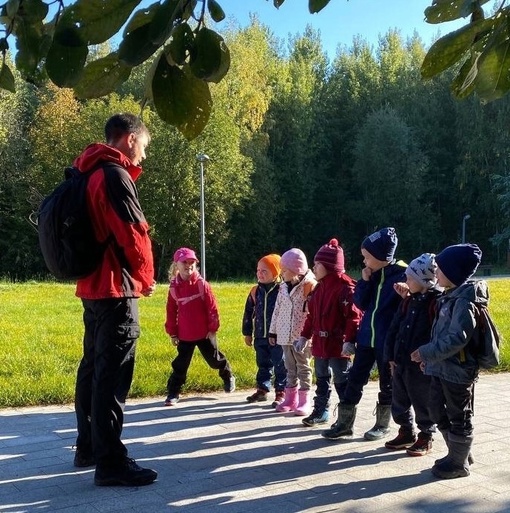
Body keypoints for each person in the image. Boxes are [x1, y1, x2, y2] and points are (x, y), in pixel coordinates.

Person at [73, 113, 158, 486]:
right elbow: (133, 233)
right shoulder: (114, 174)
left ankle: (88, 446)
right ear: (129, 139)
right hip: (115, 286)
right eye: (144, 146)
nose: (143, 155)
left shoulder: (87, 172)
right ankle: (111, 462)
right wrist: (146, 277)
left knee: (92, 366)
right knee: (112, 374)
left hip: (90, 286)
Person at [323, 227, 406, 441]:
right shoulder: (371, 275)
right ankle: (344, 423)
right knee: (355, 379)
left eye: (367, 257)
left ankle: (382, 424)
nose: (364, 261)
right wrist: (365, 282)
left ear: (381, 257)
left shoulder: (401, 276)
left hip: (387, 342)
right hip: (365, 339)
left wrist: (407, 291)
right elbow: (359, 303)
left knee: (387, 383)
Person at [411, 243, 483, 479]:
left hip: (458, 371)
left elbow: (457, 338)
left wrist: (426, 352)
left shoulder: (464, 301)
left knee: (459, 415)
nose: (436, 272)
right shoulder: (449, 296)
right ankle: (458, 453)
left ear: (453, 273)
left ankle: (458, 463)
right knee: (434, 408)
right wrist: (430, 361)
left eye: (440, 269)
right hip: (443, 367)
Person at [295, 239, 362, 427]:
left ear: (330, 266)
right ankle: (321, 410)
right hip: (319, 345)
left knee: (342, 379)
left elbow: (353, 317)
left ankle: (345, 417)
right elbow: (312, 317)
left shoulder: (345, 288)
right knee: (322, 377)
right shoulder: (318, 288)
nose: (314, 268)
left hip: (337, 345)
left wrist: (349, 341)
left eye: (317, 265)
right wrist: (304, 336)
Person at [383, 253, 442, 456]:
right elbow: (395, 328)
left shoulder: (435, 303)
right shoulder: (408, 301)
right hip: (400, 361)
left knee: (422, 399)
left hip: (420, 365)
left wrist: (429, 358)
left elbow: (436, 334)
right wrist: (390, 355)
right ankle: (405, 431)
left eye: (410, 278)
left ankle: (426, 435)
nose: (406, 282)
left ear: (424, 281)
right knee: (399, 398)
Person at [164, 247, 235, 406]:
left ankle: (227, 375)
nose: (189, 265)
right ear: (176, 265)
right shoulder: (174, 288)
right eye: (185, 262)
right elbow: (170, 311)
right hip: (184, 334)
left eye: (192, 263)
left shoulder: (202, 284)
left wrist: (212, 329)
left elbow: (212, 308)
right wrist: (172, 333)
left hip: (204, 334)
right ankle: (173, 392)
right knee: (180, 365)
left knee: (215, 360)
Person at [268, 248, 317, 416]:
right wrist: (273, 331)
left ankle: (304, 401)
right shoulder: (282, 287)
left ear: (296, 270)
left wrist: (309, 335)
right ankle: (291, 398)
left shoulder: (310, 286)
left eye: (284, 270)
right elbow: (277, 310)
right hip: (284, 334)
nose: (281, 273)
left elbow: (313, 313)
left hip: (301, 336)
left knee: (303, 367)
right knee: (289, 367)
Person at [242, 253, 286, 406]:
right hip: (260, 334)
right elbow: (248, 313)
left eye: (264, 271)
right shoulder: (255, 291)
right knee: (262, 363)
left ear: (276, 273)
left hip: (278, 336)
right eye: (258, 270)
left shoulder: (283, 290)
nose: (259, 274)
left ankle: (282, 390)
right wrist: (247, 333)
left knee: (280, 363)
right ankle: (262, 388)